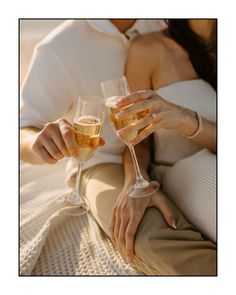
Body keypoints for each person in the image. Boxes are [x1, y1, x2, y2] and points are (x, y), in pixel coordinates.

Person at [20, 19, 216, 275]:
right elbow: (21, 128)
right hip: (100, 160)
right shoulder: (59, 46)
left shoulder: (165, 21)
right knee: (148, 235)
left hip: (156, 153)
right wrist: (36, 142)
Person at [109, 19, 216, 256]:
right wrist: (133, 181)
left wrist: (187, 119)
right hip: (184, 171)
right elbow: (137, 138)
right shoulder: (148, 49)